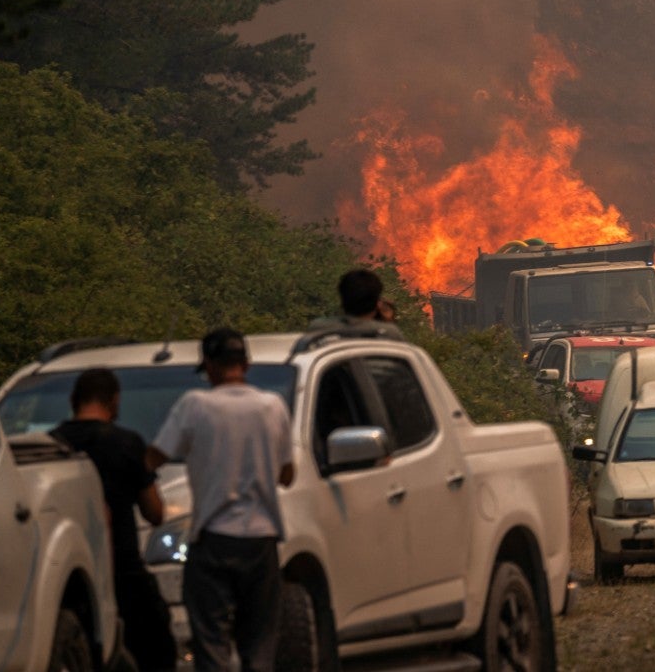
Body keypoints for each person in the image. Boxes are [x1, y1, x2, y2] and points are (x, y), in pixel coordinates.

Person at [145, 327, 296, 672]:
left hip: (213, 540)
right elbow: (287, 475)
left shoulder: (195, 405)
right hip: (261, 541)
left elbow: (155, 457)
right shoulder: (272, 406)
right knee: (259, 643)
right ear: (246, 363)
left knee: (211, 643)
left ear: (210, 366)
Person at [50, 369, 177, 672]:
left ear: (73, 400)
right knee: (155, 652)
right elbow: (154, 512)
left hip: (73, 582)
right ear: (114, 401)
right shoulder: (126, 443)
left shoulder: (54, 444)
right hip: (124, 573)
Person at [309, 267, 401, 334]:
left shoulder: (319, 328)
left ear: (342, 298)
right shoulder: (389, 334)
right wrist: (388, 321)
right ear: (377, 304)